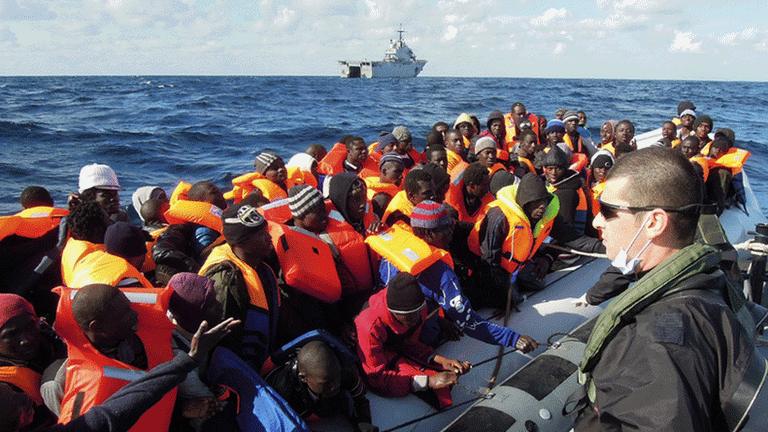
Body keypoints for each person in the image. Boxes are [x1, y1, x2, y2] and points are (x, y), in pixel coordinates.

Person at [572, 147, 765, 432]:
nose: (597, 221)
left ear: (653, 222)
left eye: (607, 211)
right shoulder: (712, 283)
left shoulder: (653, 342)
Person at [1, 317, 238, 432]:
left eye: (15, 391)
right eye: (18, 402)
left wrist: (187, 360)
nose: (27, 398)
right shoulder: (54, 383)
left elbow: (119, 407)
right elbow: (115, 412)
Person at [374, 201, 540, 352]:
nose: (452, 230)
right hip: (415, 339)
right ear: (428, 234)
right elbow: (469, 322)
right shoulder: (440, 274)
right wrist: (514, 339)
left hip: (383, 329)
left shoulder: (395, 248)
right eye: (446, 228)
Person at [43, 283, 176, 431]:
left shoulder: (134, 338)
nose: (135, 315)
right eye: (125, 314)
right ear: (96, 327)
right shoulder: (61, 380)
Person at [466, 174, 605, 308]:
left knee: (539, 284)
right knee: (509, 298)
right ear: (525, 202)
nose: (542, 207)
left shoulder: (545, 216)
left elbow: (575, 239)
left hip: (518, 265)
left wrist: (605, 248)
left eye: (544, 202)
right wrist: (504, 292)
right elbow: (490, 261)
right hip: (488, 266)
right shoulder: (499, 217)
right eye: (537, 203)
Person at [354, 272, 470, 408]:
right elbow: (376, 378)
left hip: (392, 345)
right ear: (394, 313)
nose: (415, 319)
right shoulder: (369, 327)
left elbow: (410, 344)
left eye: (418, 312)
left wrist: (440, 361)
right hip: (370, 353)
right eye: (409, 317)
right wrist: (429, 381)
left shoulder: (418, 311)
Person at [198, 203, 279, 371]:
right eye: (260, 235)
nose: (269, 238)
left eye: (266, 231)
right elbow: (222, 343)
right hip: (239, 370)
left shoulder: (260, 265)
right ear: (241, 242)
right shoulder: (226, 280)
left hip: (264, 358)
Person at [265, 339, 376, 432]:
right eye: (326, 382)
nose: (335, 385)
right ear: (304, 378)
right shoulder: (283, 394)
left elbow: (360, 398)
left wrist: (364, 421)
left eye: (336, 378)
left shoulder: (343, 371)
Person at [0, 294, 65, 430]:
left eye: (30, 326)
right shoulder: (5, 391)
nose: (26, 339)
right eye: (11, 335)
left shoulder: (58, 338)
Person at [152, 181, 226, 284]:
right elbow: (204, 256)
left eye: (218, 190)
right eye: (214, 192)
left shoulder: (212, 220)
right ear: (200, 201)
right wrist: (227, 239)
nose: (220, 194)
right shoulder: (204, 229)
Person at [540, 147, 592, 235]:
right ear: (545, 169)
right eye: (550, 169)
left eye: (558, 169)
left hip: (570, 235)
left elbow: (564, 226)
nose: (554, 173)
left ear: (565, 169)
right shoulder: (567, 183)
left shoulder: (567, 193)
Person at [60, 201, 111, 287]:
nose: (110, 223)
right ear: (97, 230)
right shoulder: (99, 258)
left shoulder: (72, 245)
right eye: (108, 220)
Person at [365, 153, 404, 219]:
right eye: (397, 171)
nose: (401, 176)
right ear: (384, 171)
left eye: (401, 172)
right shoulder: (381, 200)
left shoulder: (398, 190)